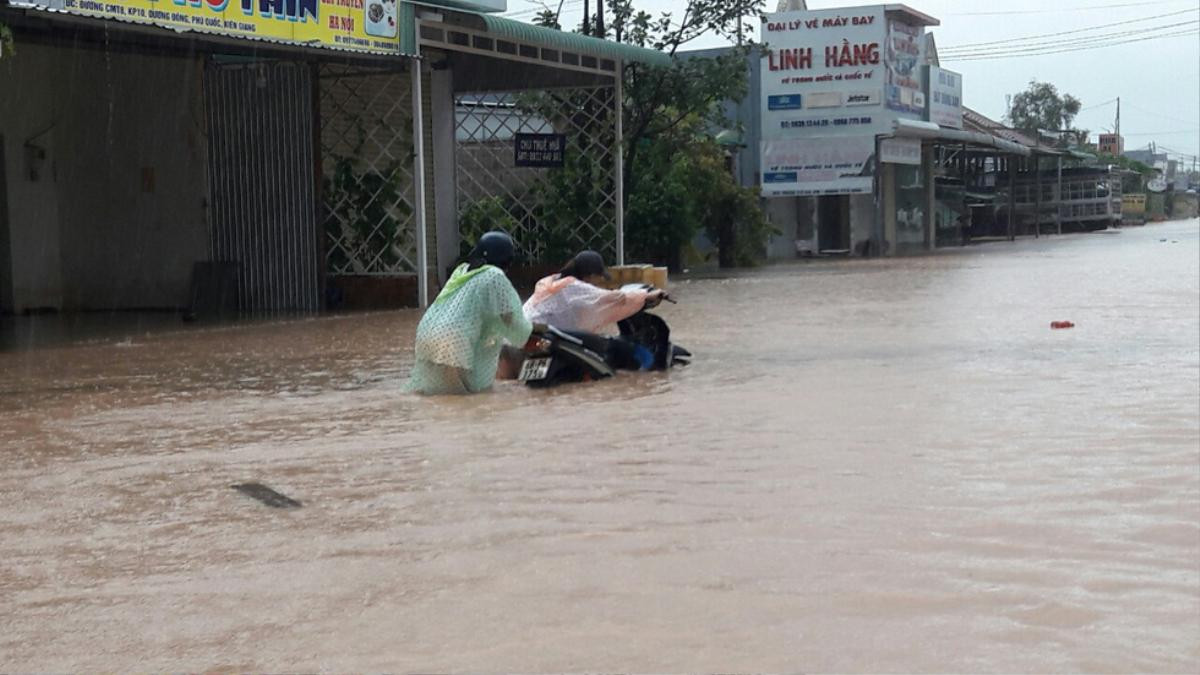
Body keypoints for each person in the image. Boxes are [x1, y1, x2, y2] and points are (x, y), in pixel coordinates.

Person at [406, 231, 533, 395]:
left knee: (435, 396)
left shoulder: (463, 271)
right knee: (464, 400)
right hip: (455, 341)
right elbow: (510, 319)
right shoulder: (494, 275)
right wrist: (528, 331)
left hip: (427, 333)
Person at [523, 250, 667, 335]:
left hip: (524, 333)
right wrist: (648, 295)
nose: (598, 281)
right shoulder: (574, 286)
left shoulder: (551, 281)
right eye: (599, 277)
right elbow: (616, 298)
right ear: (590, 275)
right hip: (543, 333)